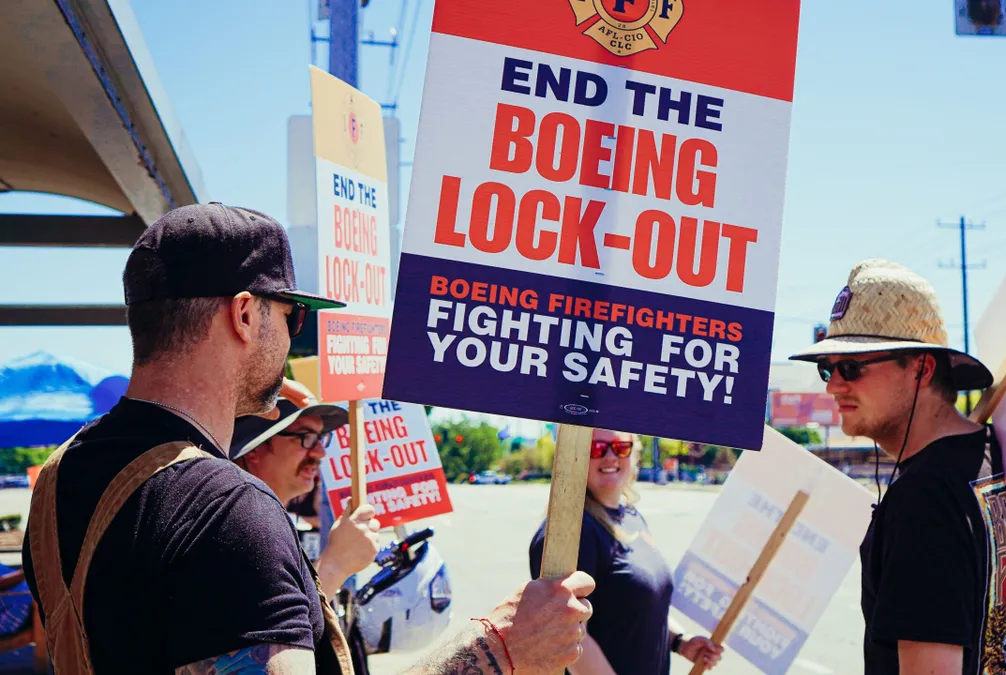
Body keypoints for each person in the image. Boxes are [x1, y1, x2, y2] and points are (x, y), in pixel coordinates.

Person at [23, 202, 593, 675]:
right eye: (292, 317)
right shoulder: (227, 509)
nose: (296, 341)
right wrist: (497, 651)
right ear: (245, 315)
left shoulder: (59, 476)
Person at [788, 259, 1006, 675]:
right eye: (828, 369)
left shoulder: (923, 497)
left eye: (851, 367)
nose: (832, 385)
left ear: (921, 368)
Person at [529, 430, 722, 675]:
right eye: (596, 448)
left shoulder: (629, 516)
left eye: (620, 447)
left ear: (634, 454)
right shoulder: (571, 531)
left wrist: (680, 642)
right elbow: (567, 636)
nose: (610, 456)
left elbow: (641, 606)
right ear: (573, 457)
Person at [231, 399, 380, 594]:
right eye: (306, 437)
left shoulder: (263, 520)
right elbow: (281, 622)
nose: (321, 452)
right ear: (254, 449)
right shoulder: (239, 524)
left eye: (321, 438)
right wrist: (335, 565)